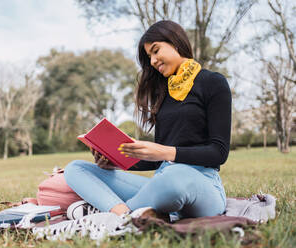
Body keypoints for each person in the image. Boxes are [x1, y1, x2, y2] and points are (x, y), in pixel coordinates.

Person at [64, 20, 231, 221]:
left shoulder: (213, 82)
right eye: (149, 56)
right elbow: (158, 159)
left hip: (201, 184)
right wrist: (115, 163)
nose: (152, 61)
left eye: (155, 50)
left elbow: (218, 152)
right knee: (75, 168)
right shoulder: (164, 95)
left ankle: (110, 217)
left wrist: (163, 152)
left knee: (174, 177)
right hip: (161, 183)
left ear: (175, 43)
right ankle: (124, 215)